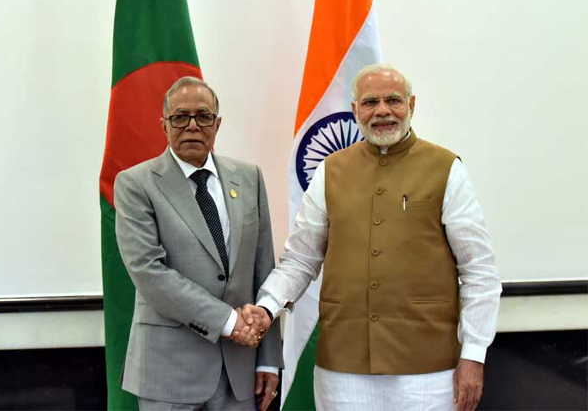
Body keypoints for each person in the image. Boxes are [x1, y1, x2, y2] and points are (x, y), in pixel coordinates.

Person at [245, 63, 501, 411]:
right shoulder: (330, 171)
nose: (382, 111)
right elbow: (301, 259)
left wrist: (473, 355)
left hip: (428, 370)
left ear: (411, 106)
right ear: (355, 111)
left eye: (393, 100)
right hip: (343, 370)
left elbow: (479, 270)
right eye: (370, 103)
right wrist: (266, 307)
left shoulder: (446, 168)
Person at [114, 76, 283, 411]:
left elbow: (264, 269)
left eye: (203, 117)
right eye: (180, 117)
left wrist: (268, 359)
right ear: (164, 125)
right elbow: (149, 273)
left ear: (217, 124)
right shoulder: (136, 184)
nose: (192, 125)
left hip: (240, 373)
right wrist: (231, 323)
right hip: (169, 373)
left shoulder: (249, 177)